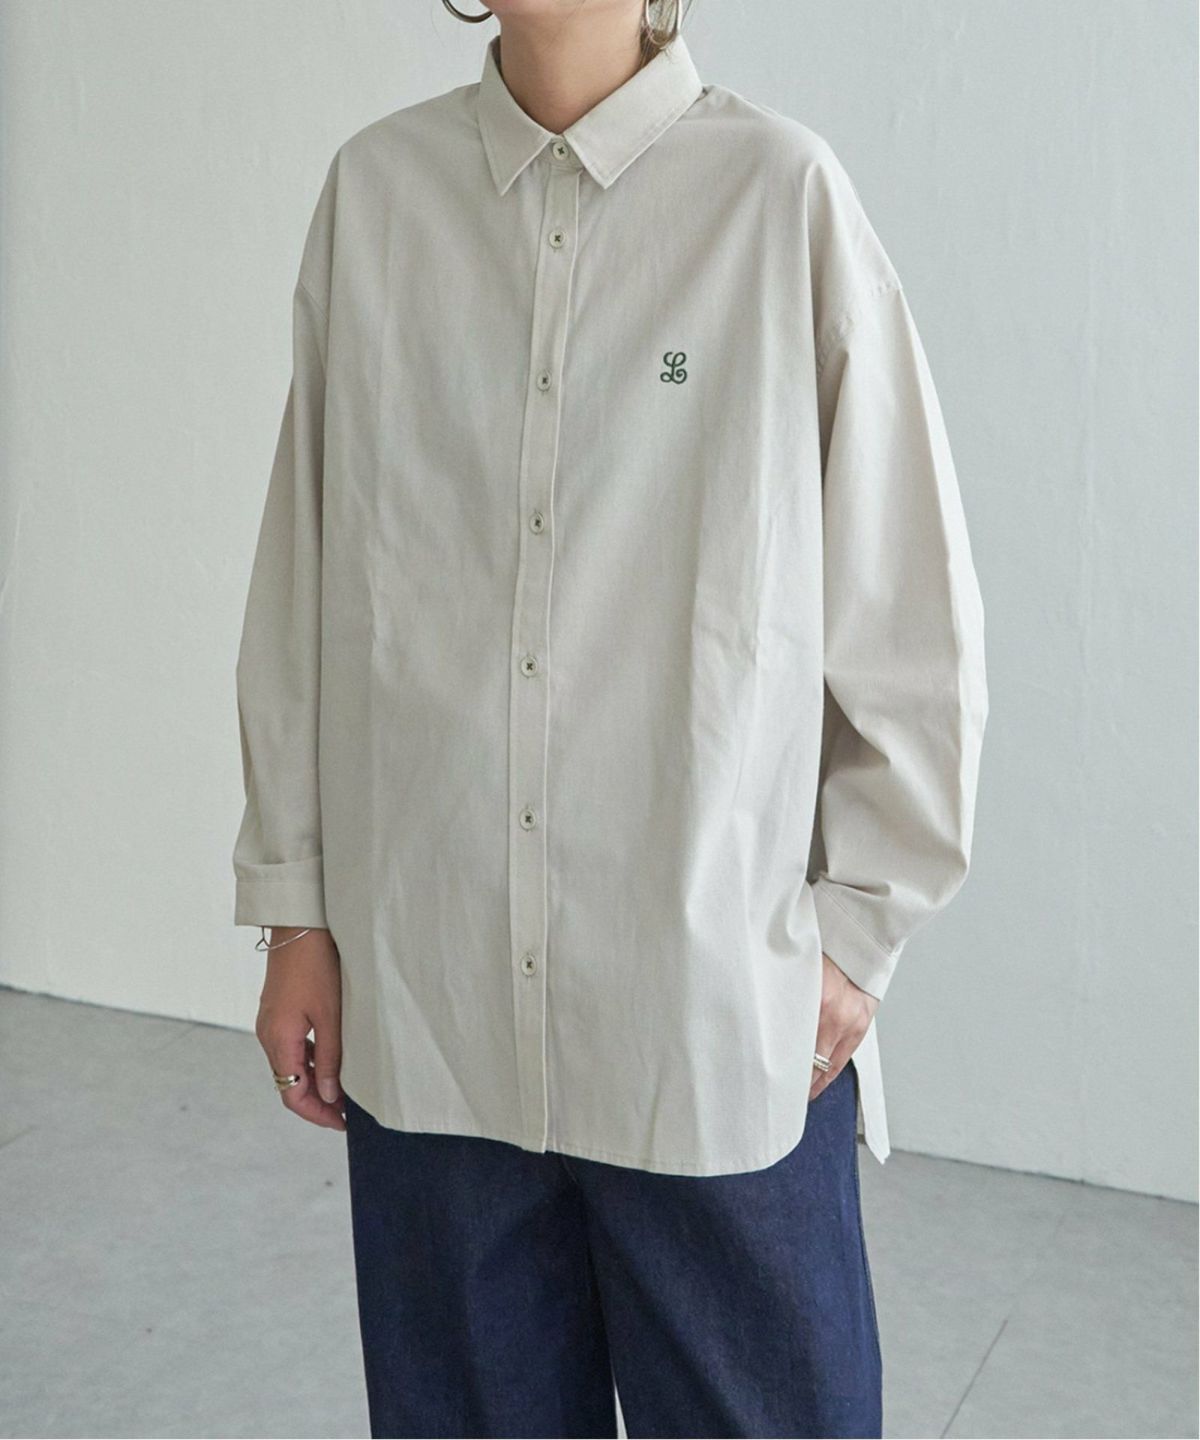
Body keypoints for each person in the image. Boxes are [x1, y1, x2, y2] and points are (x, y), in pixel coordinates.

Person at [232, 0, 989, 1435]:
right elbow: (304, 587)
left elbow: (909, 613)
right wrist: (295, 910)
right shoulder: (377, 197)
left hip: (706, 1028)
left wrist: (859, 929)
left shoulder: (777, 199)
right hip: (433, 1008)